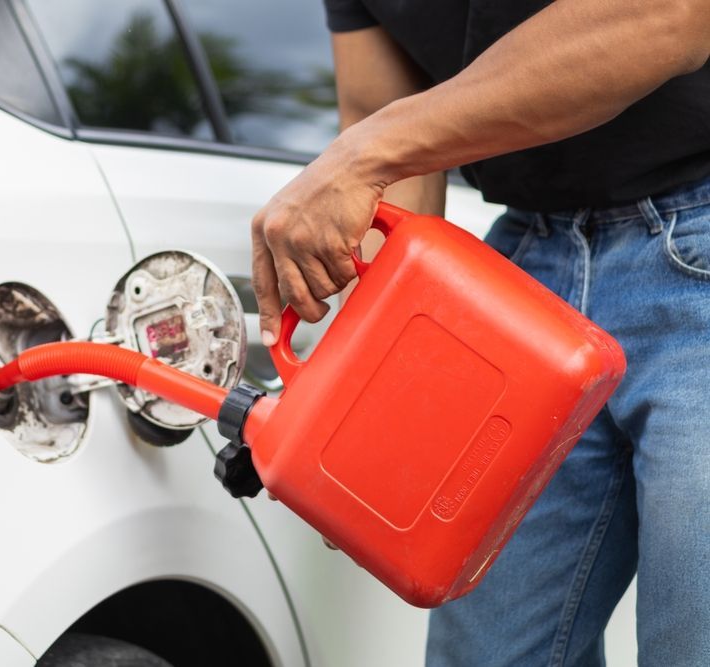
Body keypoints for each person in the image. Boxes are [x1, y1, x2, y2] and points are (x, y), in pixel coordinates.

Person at [250, 1, 710, 665]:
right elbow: (385, 117)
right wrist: (376, 408)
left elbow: (663, 14)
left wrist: (362, 153)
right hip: (526, 270)